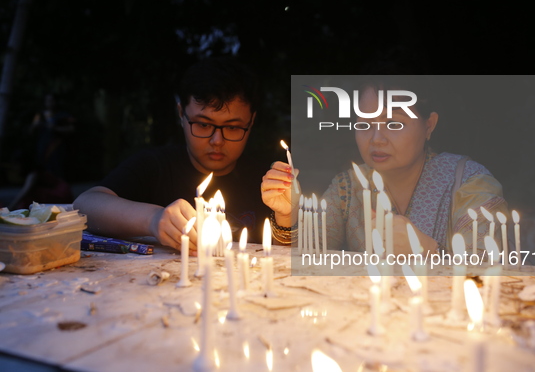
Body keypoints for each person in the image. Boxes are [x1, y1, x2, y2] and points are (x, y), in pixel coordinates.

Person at [261, 76, 509, 254]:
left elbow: (490, 276)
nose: (376, 139)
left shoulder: (468, 182)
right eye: (365, 124)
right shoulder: (348, 188)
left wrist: (430, 251)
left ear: (429, 125)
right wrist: (288, 214)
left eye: (393, 124)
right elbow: (307, 262)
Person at [74, 58, 269, 252]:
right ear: (181, 114)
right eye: (203, 124)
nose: (217, 140)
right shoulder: (156, 166)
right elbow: (85, 204)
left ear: (251, 122)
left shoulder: (266, 178)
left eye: (233, 127)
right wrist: (154, 219)